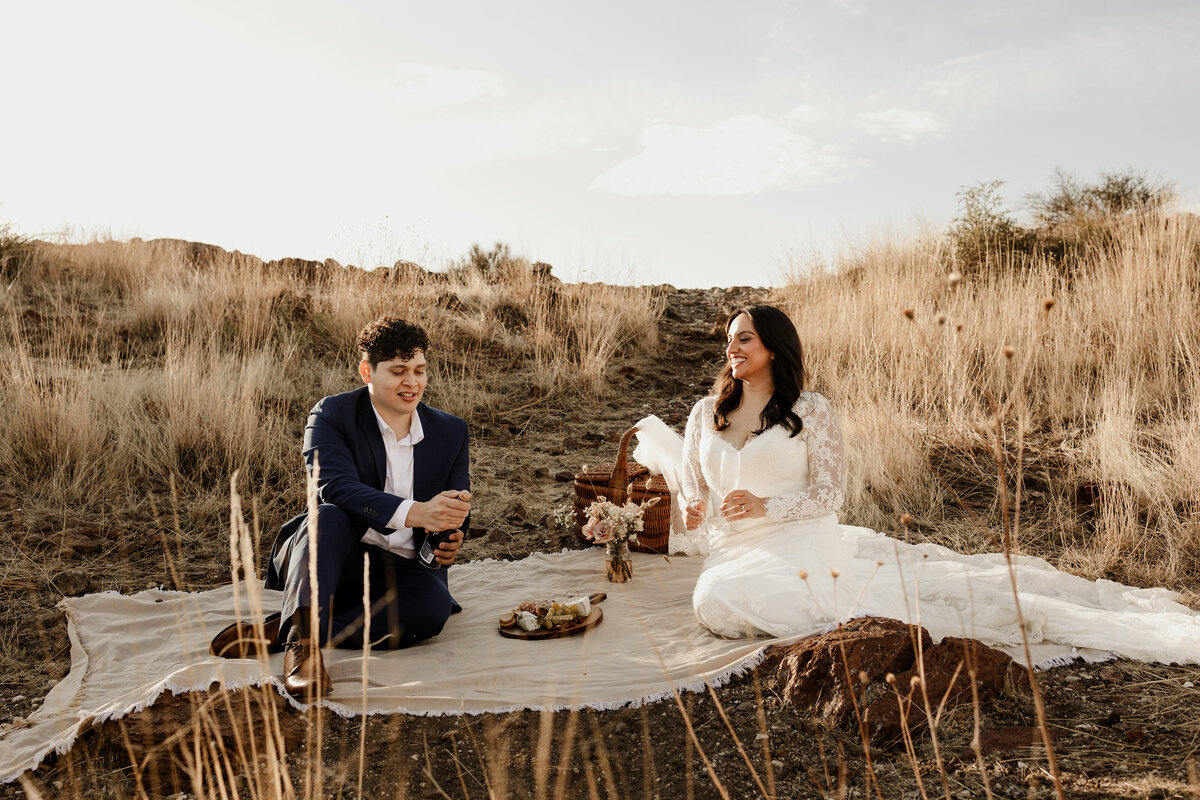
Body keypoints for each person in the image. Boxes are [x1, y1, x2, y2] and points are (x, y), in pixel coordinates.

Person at [646, 304, 1200, 665]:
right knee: (714, 601)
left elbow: (830, 495)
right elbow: (695, 488)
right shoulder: (703, 412)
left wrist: (765, 505)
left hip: (796, 538)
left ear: (773, 347)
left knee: (751, 599)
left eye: (743, 339)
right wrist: (695, 510)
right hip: (731, 548)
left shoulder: (810, 409)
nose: (731, 349)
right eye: (728, 341)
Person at [211, 316, 471, 697]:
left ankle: (289, 625)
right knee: (328, 515)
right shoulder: (331, 414)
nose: (412, 382)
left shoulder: (451, 430)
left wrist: (451, 534)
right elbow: (334, 487)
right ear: (367, 370)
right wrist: (416, 512)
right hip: (334, 555)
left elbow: (456, 501)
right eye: (398, 371)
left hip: (403, 568)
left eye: (419, 370)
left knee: (433, 608)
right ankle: (302, 648)